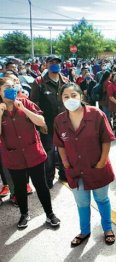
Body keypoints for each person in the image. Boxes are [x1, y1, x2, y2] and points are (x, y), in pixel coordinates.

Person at [53, 82, 116, 247]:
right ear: (61, 99)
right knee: (82, 203)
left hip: (98, 167)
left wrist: (102, 161)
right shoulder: (60, 120)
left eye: (74, 95)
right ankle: (84, 231)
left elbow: (106, 139)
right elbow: (60, 144)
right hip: (75, 170)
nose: (70, 99)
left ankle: (108, 229)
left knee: (102, 199)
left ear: (81, 96)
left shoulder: (96, 114)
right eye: (66, 96)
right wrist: (66, 163)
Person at [0, 77, 60, 228]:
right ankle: (24, 214)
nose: (11, 89)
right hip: (14, 157)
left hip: (34, 153)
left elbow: (41, 121)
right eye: (7, 87)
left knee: (41, 186)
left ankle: (49, 214)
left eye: (13, 86)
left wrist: (23, 109)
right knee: (20, 188)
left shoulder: (25, 102)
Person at [30, 55, 69, 188]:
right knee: (49, 153)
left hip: (64, 124)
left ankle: (65, 174)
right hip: (47, 125)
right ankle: (49, 178)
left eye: (57, 62)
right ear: (45, 65)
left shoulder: (65, 81)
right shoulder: (39, 82)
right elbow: (34, 104)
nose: (54, 64)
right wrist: (41, 124)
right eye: (51, 62)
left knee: (66, 150)